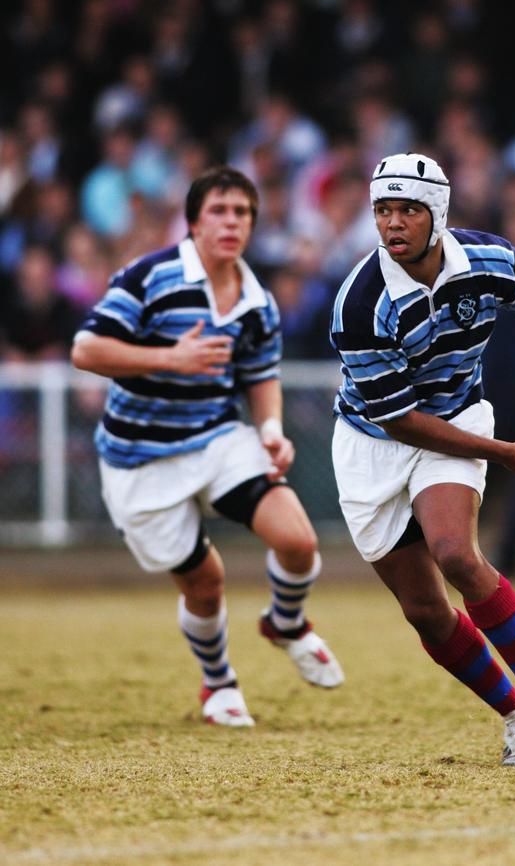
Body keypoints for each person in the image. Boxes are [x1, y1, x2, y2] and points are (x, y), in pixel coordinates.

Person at [329, 152, 515, 767]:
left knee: (456, 552)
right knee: (426, 612)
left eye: (408, 209)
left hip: (459, 418)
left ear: (437, 214)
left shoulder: (489, 258)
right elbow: (399, 419)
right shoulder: (359, 304)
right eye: (383, 210)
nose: (393, 224)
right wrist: (506, 453)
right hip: (373, 442)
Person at [71, 165, 344, 728]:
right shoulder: (150, 277)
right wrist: (168, 357)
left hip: (216, 437)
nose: (231, 222)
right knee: (206, 582)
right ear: (193, 222)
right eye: (218, 211)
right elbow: (87, 350)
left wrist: (271, 429)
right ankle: (218, 683)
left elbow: (260, 377)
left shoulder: (257, 301)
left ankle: (286, 623)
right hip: (138, 457)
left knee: (297, 542)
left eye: (242, 212)